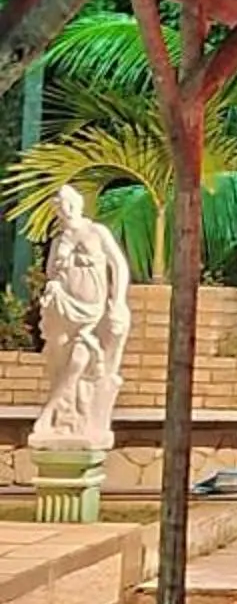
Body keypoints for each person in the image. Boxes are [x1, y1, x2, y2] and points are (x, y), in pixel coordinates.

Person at [30, 183, 132, 450]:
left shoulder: (96, 232)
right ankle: (64, 413)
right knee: (60, 356)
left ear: (76, 204)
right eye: (59, 206)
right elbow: (51, 271)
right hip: (64, 304)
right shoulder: (59, 239)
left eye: (66, 203)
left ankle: (51, 413)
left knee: (81, 356)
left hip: (93, 307)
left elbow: (118, 264)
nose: (63, 210)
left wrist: (117, 300)